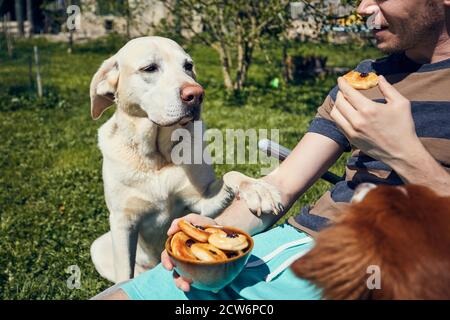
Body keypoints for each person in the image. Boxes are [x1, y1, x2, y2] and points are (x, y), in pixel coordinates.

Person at [94, 0, 450, 300]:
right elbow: (282, 184)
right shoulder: (366, 78)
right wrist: (216, 234)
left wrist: (404, 152)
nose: (362, 8)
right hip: (300, 243)